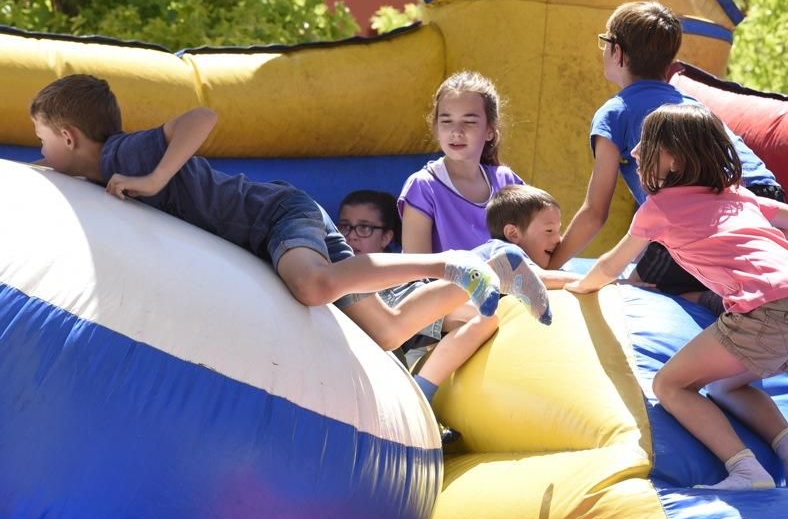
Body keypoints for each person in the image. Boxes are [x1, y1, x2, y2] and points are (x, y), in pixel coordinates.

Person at [29, 74, 549, 356]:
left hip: (274, 215)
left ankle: (450, 263)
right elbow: (48, 170)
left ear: (71, 137)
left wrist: (154, 179)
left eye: (43, 141)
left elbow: (200, 116)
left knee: (313, 285)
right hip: (279, 221)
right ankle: (494, 265)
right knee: (387, 330)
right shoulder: (96, 169)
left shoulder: (125, 155)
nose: (42, 151)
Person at [566, 104, 788, 491]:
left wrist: (578, 285)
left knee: (670, 386)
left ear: (672, 158)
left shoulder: (658, 208)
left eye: (647, 144)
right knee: (727, 386)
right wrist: (757, 266)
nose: (637, 151)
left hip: (768, 311)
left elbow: (611, 267)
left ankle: (745, 469)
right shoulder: (737, 196)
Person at [548, 1, 785, 306]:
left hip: (707, 210)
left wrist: (549, 266)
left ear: (617, 52)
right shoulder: (690, 104)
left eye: (605, 42)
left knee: (633, 293)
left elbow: (595, 211)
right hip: (765, 199)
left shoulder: (615, 113)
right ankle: (708, 297)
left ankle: (703, 299)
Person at [339, 186, 572, 444]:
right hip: (397, 298)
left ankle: (422, 396)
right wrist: (595, 280)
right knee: (485, 316)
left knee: (486, 318)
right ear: (512, 233)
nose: (351, 237)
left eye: (363, 228)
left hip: (416, 297)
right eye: (345, 228)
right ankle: (422, 397)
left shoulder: (496, 254)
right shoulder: (502, 252)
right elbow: (543, 278)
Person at [398, 70, 523, 255]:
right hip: (442, 284)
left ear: (490, 130)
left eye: (469, 122)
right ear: (436, 128)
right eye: (446, 121)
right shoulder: (423, 187)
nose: (456, 131)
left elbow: (536, 246)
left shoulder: (507, 180)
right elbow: (416, 273)